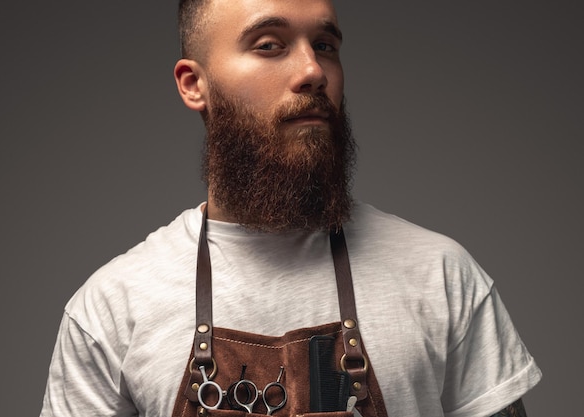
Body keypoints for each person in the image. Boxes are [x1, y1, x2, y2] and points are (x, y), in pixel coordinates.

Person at [39, 1, 541, 416]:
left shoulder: (442, 276)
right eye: (270, 46)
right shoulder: (111, 308)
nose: (312, 71)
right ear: (195, 84)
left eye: (325, 46)